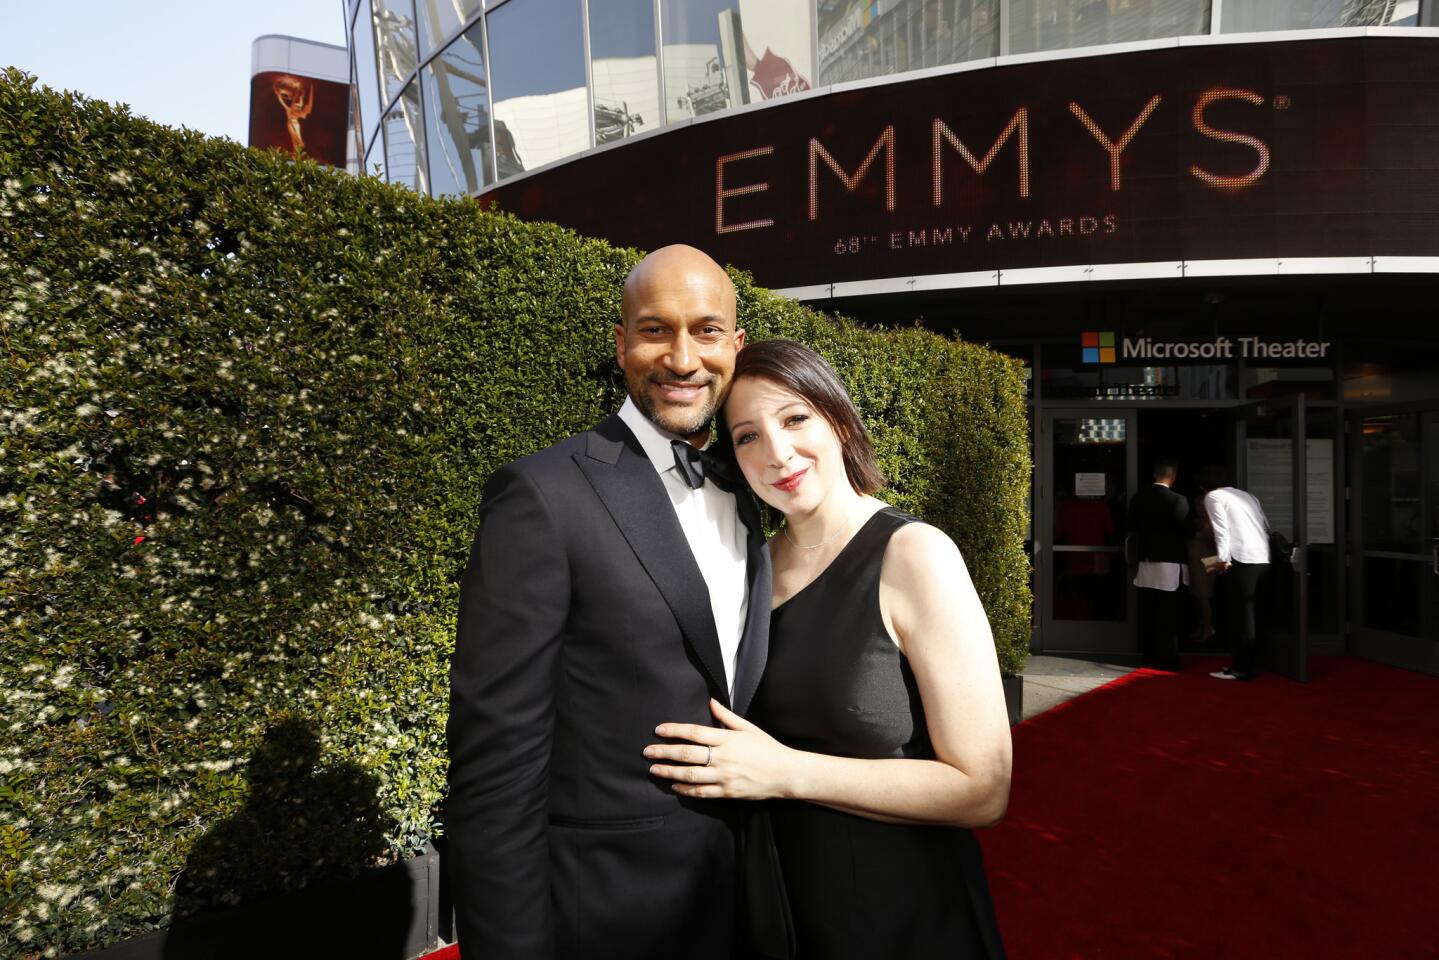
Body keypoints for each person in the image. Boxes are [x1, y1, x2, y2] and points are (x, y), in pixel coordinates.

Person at [446, 245, 771, 959]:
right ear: (622, 344)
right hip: (605, 916)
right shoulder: (541, 496)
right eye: (656, 330)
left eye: (707, 331)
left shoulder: (749, 492)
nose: (683, 358)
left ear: (736, 346)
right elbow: (496, 761)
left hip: (740, 905)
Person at [646, 339, 1011, 959]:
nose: (778, 453)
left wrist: (787, 772)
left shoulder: (914, 554)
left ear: (837, 419)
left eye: (794, 419)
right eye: (747, 436)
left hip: (899, 920)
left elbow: (983, 789)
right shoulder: (748, 568)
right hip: (777, 913)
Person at [1199, 471, 1272, 681]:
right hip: (1262, 556)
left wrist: (1222, 559)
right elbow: (1265, 525)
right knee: (1253, 611)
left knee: (1241, 614)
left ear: (1204, 488)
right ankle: (1249, 662)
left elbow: (1221, 530)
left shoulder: (1213, 497)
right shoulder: (1247, 496)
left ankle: (1243, 668)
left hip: (1242, 557)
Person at [1127, 460, 1189, 670]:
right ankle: (1168, 658)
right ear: (1173, 477)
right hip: (1170, 561)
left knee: (1149, 608)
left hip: (1146, 560)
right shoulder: (1178, 500)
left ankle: (1148, 653)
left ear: (1155, 475)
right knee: (1168, 612)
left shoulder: (1138, 498)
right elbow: (1185, 529)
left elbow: (1132, 526)